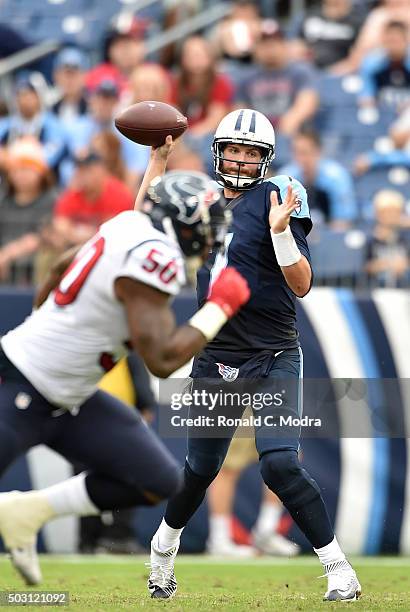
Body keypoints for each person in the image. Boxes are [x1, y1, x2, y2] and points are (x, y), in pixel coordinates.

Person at [0, 140, 250, 585]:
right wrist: (220, 307)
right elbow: (161, 359)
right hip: (19, 382)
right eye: (207, 227)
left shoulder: (126, 226)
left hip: (70, 396)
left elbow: (60, 267)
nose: (211, 238)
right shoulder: (156, 258)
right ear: (184, 225)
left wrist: (49, 324)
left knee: (155, 479)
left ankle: (26, 510)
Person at [148, 109, 361, 602]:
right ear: (219, 151)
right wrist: (156, 165)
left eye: (251, 153)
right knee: (199, 469)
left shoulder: (279, 194)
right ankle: (163, 550)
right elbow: (143, 219)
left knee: (280, 463)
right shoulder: (201, 198)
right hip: (215, 353)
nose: (241, 161)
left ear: (265, 159)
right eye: (235, 151)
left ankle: (338, 569)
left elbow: (302, 284)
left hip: (273, 353)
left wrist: (281, 231)